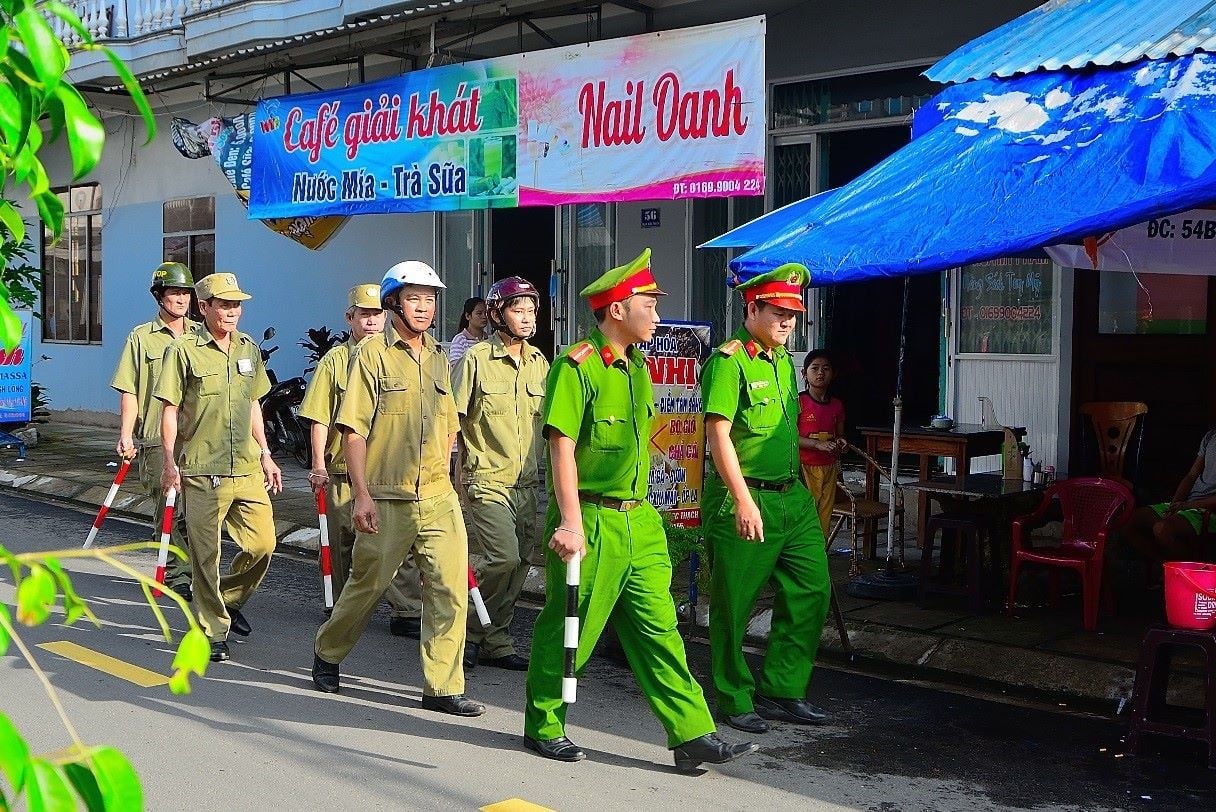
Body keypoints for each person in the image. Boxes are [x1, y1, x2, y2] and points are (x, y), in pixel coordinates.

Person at [523, 248, 758, 772]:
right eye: (648, 304)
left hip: (641, 518)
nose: (656, 314)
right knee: (570, 627)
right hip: (593, 518)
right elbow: (561, 445)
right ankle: (544, 723)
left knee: (660, 627)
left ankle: (692, 731)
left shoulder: (636, 369)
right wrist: (569, 521)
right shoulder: (577, 366)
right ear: (616, 311)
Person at [312, 260, 485, 718]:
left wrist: (453, 482)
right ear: (393, 304)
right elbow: (353, 431)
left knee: (449, 588)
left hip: (437, 495)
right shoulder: (371, 356)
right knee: (368, 584)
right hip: (386, 495)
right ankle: (328, 652)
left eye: (430, 299)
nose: (424, 308)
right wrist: (362, 495)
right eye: (414, 298)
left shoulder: (439, 357)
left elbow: (449, 426)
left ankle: (443, 686)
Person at [700, 264, 833, 735]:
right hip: (744, 494)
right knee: (733, 604)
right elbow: (718, 434)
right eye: (778, 312)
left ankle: (782, 688)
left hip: (790, 495)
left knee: (812, 589)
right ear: (751, 307)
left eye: (794, 315)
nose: (788, 322)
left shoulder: (782, 361)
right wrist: (741, 499)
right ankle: (734, 696)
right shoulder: (728, 360)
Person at [155, 272, 282, 663]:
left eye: (236, 305)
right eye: (223, 304)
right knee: (205, 555)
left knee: (263, 545)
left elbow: (253, 404)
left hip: (245, 466)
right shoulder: (184, 350)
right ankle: (212, 630)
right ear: (203, 306)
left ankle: (226, 599)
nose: (232, 312)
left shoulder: (248, 348)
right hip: (202, 468)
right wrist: (169, 463)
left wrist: (266, 453)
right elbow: (170, 409)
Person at [453, 276, 549, 672]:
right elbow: (452, 420)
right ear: (497, 314)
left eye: (531, 311)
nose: (527, 318)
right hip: (486, 479)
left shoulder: (539, 363)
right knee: (502, 558)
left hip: (527, 483)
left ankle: (496, 639)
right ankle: (466, 629)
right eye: (518, 310)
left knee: (521, 564)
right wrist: (447, 474)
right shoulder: (475, 360)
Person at [110, 262, 198, 601]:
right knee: (170, 507)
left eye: (185, 292)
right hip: (156, 439)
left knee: (199, 509)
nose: (181, 299)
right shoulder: (141, 337)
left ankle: (196, 570)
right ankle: (178, 573)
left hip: (195, 437)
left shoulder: (200, 336)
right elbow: (129, 390)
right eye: (174, 292)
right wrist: (126, 434)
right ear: (159, 296)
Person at [298, 284, 386, 603]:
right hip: (341, 472)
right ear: (350, 318)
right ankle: (337, 604)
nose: (372, 321)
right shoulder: (335, 361)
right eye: (365, 315)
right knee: (340, 547)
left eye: (377, 314)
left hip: (384, 473)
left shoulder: (397, 358)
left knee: (383, 544)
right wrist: (318, 465)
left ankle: (399, 609)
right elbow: (319, 416)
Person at [1122, 429, 1216, 563]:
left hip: (1209, 511)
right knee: (1127, 521)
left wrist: (1186, 506)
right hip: (1188, 504)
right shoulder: (1211, 436)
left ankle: (1190, 571)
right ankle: (1164, 567)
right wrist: (1175, 504)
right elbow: (1191, 475)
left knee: (1162, 529)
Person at [798, 350, 847, 537]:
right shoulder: (799, 402)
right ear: (804, 373)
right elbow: (791, 437)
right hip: (805, 468)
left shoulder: (836, 405)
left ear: (832, 374)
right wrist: (816, 445)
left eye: (826, 369)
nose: (820, 373)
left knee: (824, 518)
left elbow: (840, 435)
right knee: (807, 516)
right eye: (815, 368)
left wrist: (841, 442)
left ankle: (820, 557)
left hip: (829, 468)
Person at [448, 297, 487, 369]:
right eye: (479, 313)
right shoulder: (460, 340)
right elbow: (456, 369)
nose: (484, 316)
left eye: (486, 313)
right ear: (468, 316)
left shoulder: (490, 339)